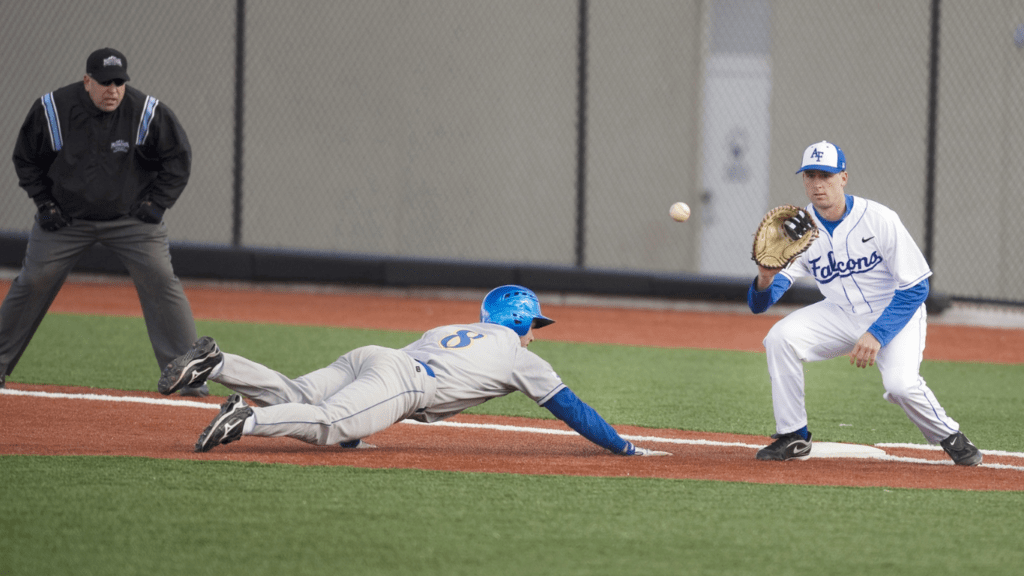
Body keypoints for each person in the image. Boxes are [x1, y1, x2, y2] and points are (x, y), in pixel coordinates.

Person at [160, 285, 671, 457]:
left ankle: (219, 363)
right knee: (327, 424)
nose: (535, 331)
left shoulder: (453, 328)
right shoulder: (521, 357)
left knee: (296, 393)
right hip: (406, 384)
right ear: (518, 318)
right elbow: (573, 410)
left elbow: (379, 377)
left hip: (379, 356)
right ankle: (244, 421)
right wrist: (623, 446)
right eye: (533, 322)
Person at [747, 141, 982, 466]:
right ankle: (793, 436)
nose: (817, 184)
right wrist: (765, 278)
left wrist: (878, 333)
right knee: (779, 338)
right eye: (810, 176)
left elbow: (916, 288)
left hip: (894, 310)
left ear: (843, 177)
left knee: (900, 385)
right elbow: (761, 304)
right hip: (841, 313)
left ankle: (950, 436)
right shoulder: (798, 231)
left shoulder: (879, 219)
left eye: (826, 175)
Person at [3, 48, 207, 396]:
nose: (112, 89)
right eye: (104, 82)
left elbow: (178, 157)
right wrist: (44, 203)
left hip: (130, 219)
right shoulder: (52, 109)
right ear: (87, 81)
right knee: (34, 279)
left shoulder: (146, 111)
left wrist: (157, 204)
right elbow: (26, 158)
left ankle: (187, 377)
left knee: (160, 279)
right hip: (66, 219)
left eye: (119, 82)